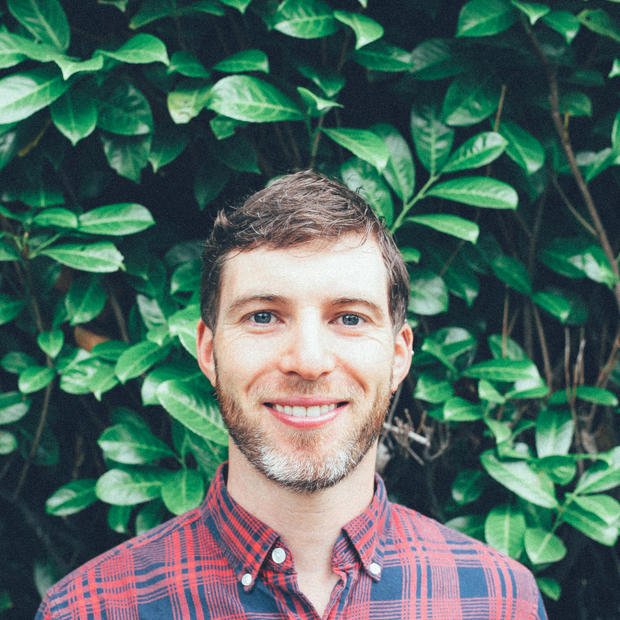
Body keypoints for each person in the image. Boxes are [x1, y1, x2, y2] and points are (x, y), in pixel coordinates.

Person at [37, 170, 547, 619]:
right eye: (263, 317)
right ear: (209, 351)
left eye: (349, 318)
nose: (308, 361)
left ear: (398, 355)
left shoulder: (500, 601)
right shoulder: (90, 609)